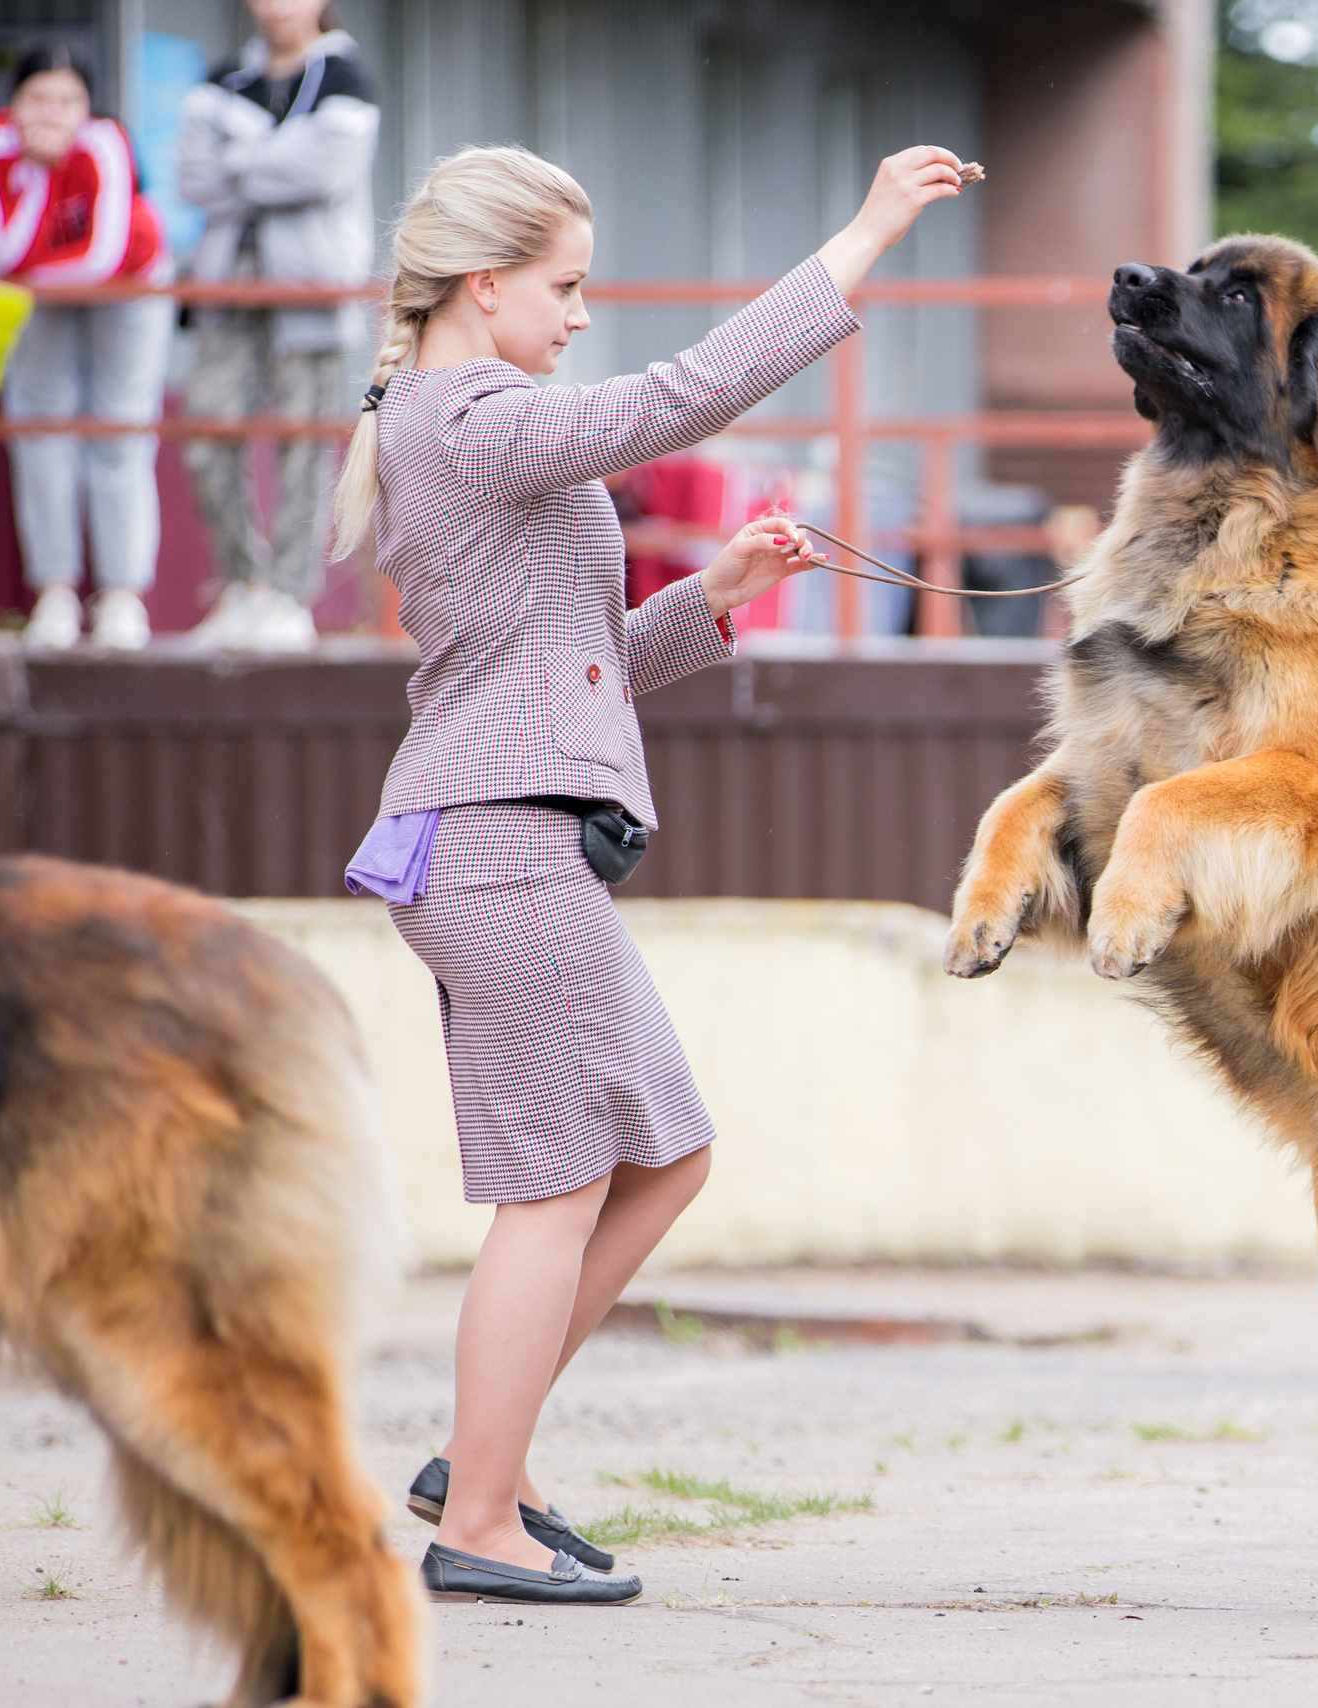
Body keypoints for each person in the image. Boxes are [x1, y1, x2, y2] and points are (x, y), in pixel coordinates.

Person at [333, 142, 965, 1607]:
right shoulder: (472, 414)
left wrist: (716, 598)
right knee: (556, 1190)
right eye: (563, 287)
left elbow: (569, 660)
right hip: (501, 839)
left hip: (504, 826)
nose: (578, 316)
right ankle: (479, 1517)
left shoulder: (460, 419)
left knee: (661, 1152)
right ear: (484, 288)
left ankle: (475, 1465)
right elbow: (680, 397)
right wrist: (861, 236)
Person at [177, 0, 379, 651]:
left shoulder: (349, 76)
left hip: (311, 285)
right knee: (208, 429)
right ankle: (244, 585)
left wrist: (240, 160)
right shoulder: (220, 80)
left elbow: (328, 171)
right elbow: (193, 178)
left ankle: (291, 597)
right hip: (226, 280)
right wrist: (280, 164)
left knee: (304, 440)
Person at [0, 43, 174, 650]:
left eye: (68, 101)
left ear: (89, 106)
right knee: (40, 427)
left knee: (120, 430)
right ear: (14, 105)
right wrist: (38, 173)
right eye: (38, 99)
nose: (53, 114)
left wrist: (30, 274)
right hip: (40, 293)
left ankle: (122, 596)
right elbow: (3, 252)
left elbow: (103, 258)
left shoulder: (106, 142)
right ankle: (53, 592)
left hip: (130, 284)